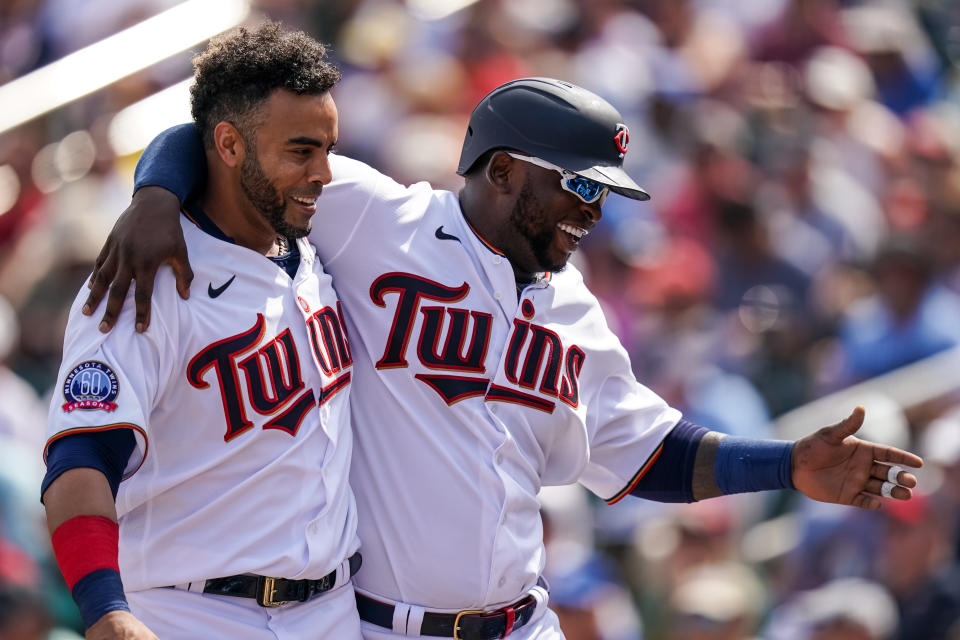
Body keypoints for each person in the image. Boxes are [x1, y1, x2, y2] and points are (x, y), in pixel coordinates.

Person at [87, 74, 923, 640]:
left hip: (525, 622)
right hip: (377, 623)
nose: (596, 214)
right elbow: (215, 141)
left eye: (607, 194)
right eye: (582, 187)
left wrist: (787, 466)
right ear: (505, 170)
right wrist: (157, 197)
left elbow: (645, 454)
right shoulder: (376, 222)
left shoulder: (572, 305)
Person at [40, 24, 363, 639]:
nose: (325, 171)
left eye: (328, 148)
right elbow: (80, 459)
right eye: (301, 150)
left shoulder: (321, 234)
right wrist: (105, 611)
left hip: (333, 609)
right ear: (229, 146)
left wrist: (157, 184)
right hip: (193, 611)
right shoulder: (145, 276)